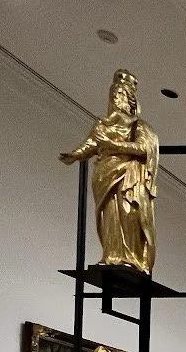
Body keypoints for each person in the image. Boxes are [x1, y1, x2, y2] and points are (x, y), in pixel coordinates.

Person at [59, 70, 159, 273]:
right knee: (110, 215)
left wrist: (113, 146)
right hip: (104, 176)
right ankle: (112, 256)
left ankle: (131, 257)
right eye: (113, 94)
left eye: (120, 94)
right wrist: (75, 155)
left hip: (128, 179)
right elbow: (90, 145)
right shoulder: (102, 125)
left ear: (130, 100)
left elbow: (144, 149)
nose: (115, 98)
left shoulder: (138, 126)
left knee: (128, 213)